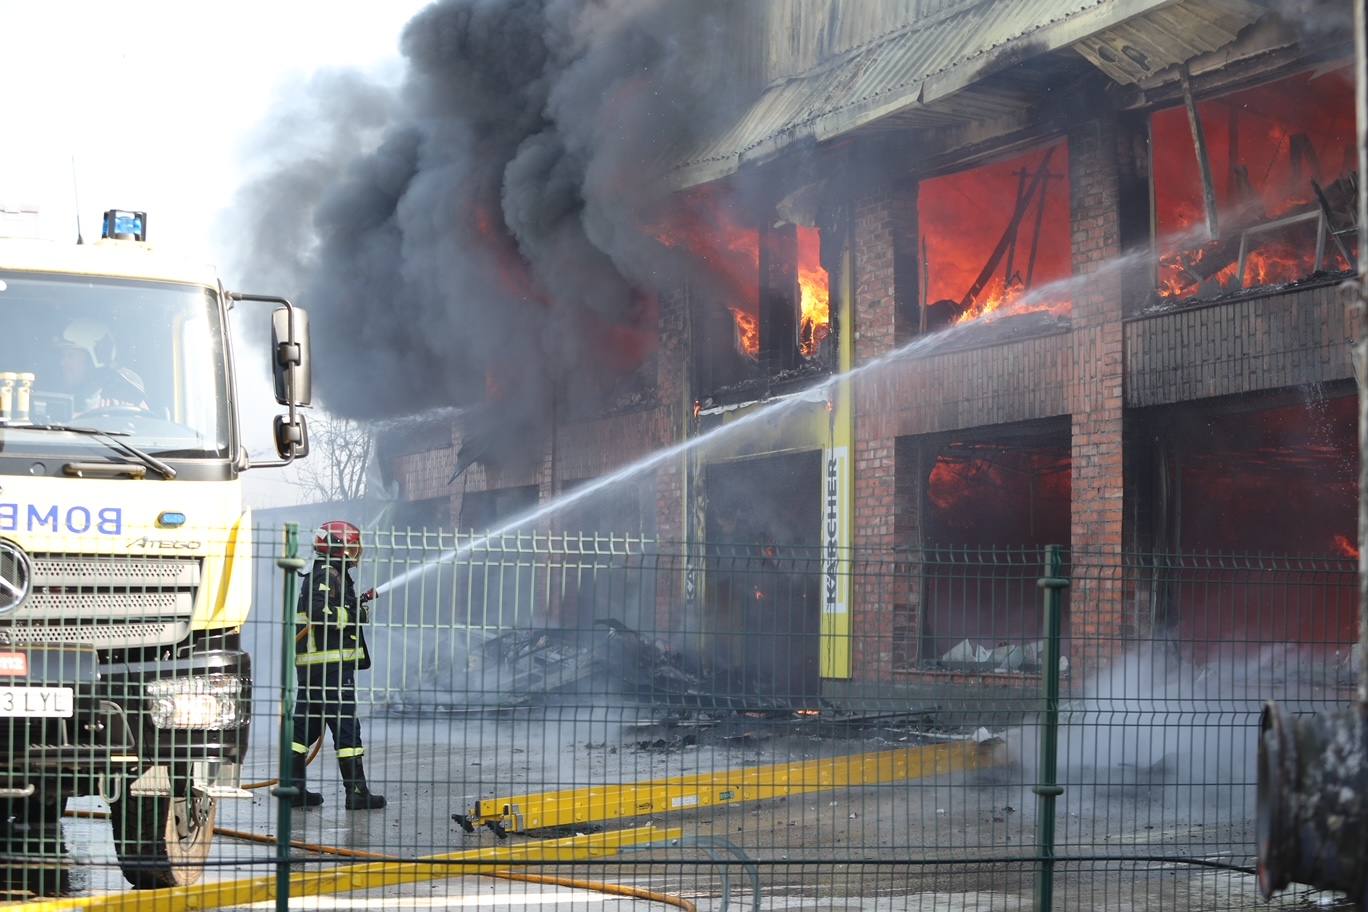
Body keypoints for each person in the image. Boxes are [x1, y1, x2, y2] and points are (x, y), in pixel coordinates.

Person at [289, 520, 386, 810]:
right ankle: (356, 792)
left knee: (304, 730)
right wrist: (354, 614)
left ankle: (294, 789)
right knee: (346, 728)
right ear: (338, 548)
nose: (356, 553)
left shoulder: (324, 572)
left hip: (313, 669)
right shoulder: (327, 574)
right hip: (331, 668)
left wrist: (352, 606)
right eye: (352, 547)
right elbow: (320, 612)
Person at [55, 320, 149, 416]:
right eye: (63, 356)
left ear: (92, 362)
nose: (62, 363)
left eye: (70, 356)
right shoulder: (55, 400)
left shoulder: (127, 401)